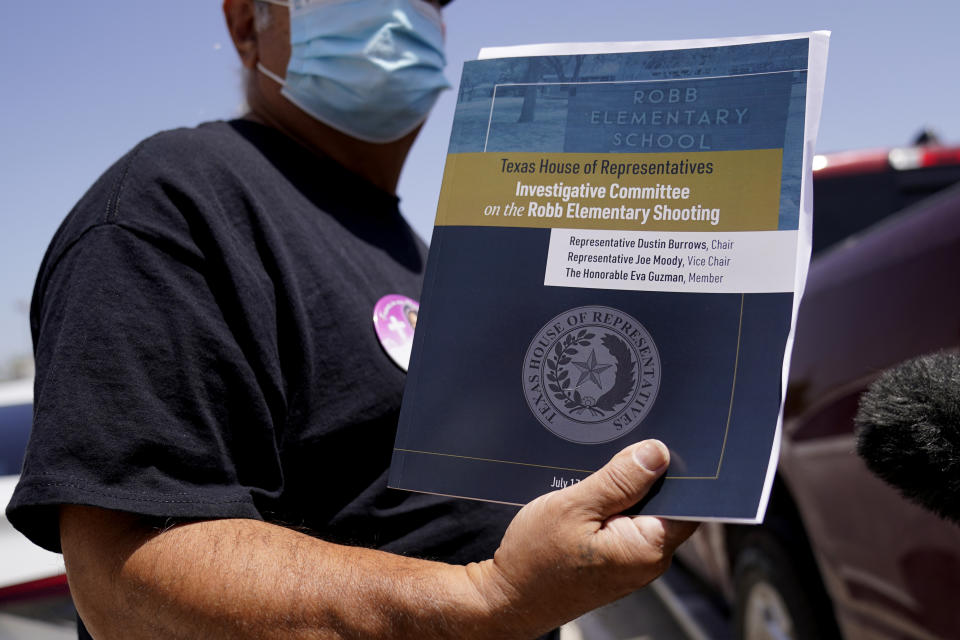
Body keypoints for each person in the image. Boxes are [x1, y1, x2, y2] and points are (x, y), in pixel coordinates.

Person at [6, 1, 698, 638]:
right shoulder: (174, 204)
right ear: (249, 25)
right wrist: (486, 602)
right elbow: (123, 576)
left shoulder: (415, 250)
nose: (403, 17)